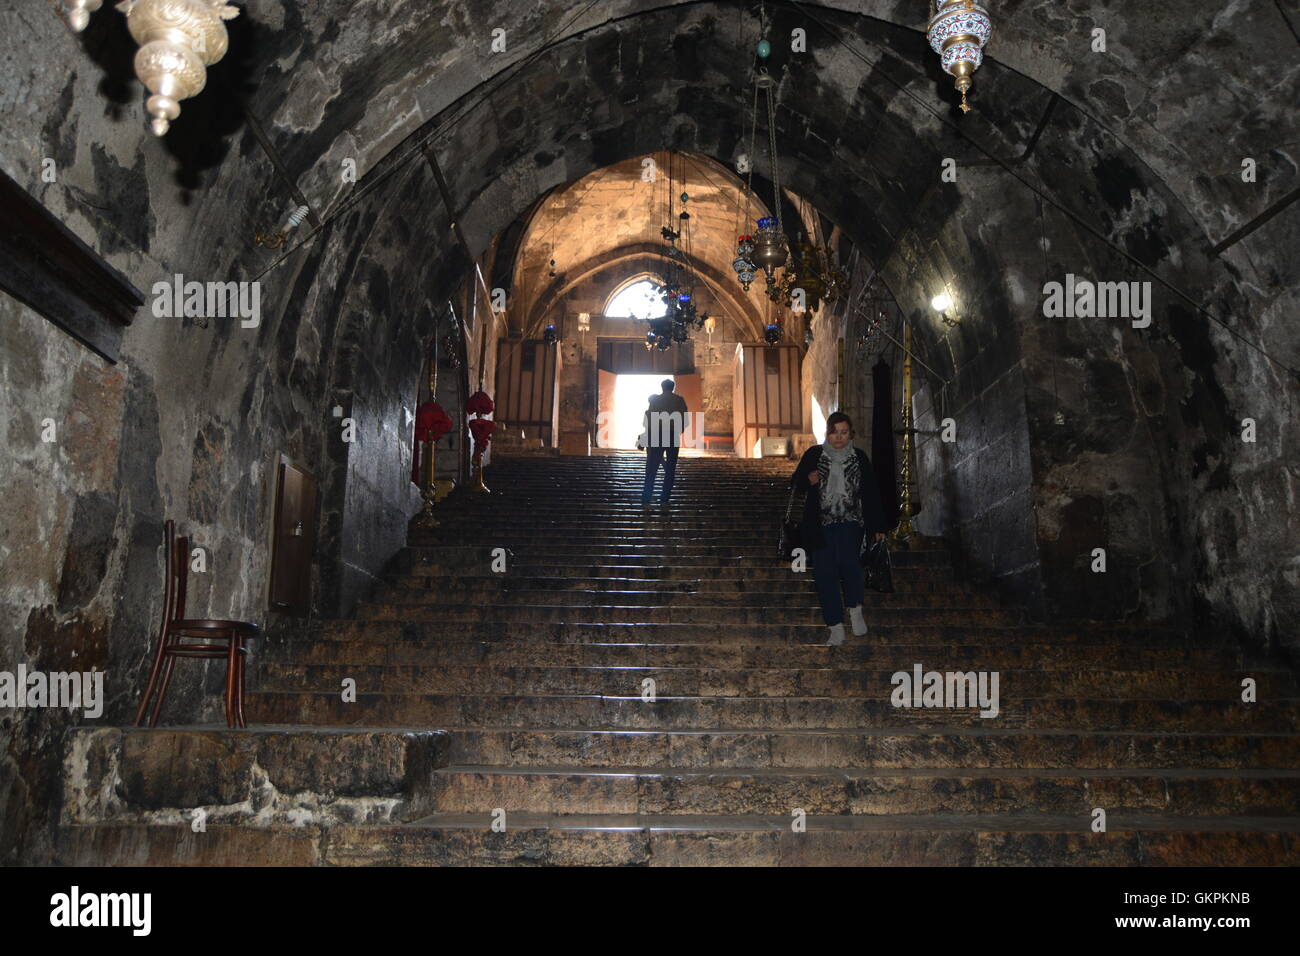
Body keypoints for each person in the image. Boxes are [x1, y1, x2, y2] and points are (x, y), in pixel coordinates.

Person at [790, 412, 890, 645]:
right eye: (835, 432)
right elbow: (796, 481)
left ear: (850, 434)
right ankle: (835, 626)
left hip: (851, 522)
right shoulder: (815, 454)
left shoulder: (859, 457)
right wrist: (808, 479)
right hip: (820, 525)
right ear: (828, 433)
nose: (839, 437)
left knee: (850, 566)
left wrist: (878, 526)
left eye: (844, 432)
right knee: (824, 574)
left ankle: (854, 608)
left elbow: (871, 493)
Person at [641, 379, 688, 511]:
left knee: (652, 468)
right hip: (673, 435)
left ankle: (646, 499)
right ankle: (664, 499)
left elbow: (649, 420)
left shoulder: (655, 400)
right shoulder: (679, 400)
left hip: (657, 435)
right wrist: (679, 430)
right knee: (670, 468)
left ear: (662, 387)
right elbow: (685, 419)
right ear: (672, 388)